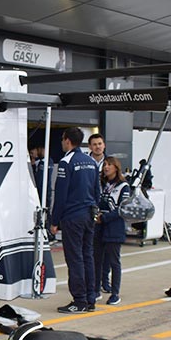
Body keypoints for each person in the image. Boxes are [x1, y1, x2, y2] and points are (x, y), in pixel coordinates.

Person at [51, 127, 99, 313]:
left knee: (75, 258)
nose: (62, 143)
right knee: (88, 256)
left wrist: (54, 221)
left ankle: (79, 300)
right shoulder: (91, 161)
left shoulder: (66, 162)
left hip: (73, 217)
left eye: (63, 139)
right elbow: (97, 191)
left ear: (68, 141)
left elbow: (61, 196)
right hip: (89, 215)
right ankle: (90, 298)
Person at [96, 157, 132, 306]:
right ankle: (95, 288)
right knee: (97, 260)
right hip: (99, 227)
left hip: (114, 227)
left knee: (113, 261)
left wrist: (104, 218)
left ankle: (115, 293)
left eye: (109, 165)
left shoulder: (123, 186)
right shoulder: (101, 184)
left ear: (116, 168)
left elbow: (122, 208)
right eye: (105, 164)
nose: (106, 167)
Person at [86, 134, 106, 303]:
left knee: (106, 250)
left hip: (105, 212)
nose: (98, 147)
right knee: (92, 249)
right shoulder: (85, 162)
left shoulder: (110, 163)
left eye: (100, 144)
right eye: (95, 144)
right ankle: (93, 282)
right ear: (90, 147)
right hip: (89, 210)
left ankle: (104, 281)